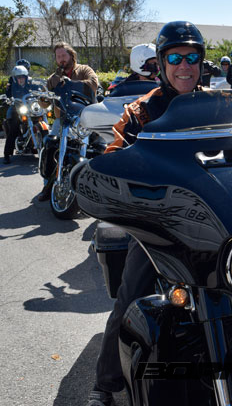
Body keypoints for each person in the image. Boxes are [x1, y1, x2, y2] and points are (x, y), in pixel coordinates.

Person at [86, 21, 206, 406]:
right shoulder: (141, 110)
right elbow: (113, 157)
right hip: (158, 225)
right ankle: (105, 384)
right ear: (162, 63)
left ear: (201, 62)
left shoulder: (216, 106)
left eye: (192, 57)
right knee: (131, 295)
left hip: (214, 218)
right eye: (175, 57)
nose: (184, 66)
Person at [37, 42, 99, 201]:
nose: (61, 59)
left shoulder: (84, 70)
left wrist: (70, 85)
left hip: (84, 117)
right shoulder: (53, 78)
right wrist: (43, 98)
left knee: (101, 145)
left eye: (64, 55)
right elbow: (44, 102)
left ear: (71, 55)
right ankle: (48, 185)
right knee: (50, 146)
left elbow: (93, 83)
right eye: (58, 56)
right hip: (62, 118)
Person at [3, 65, 41, 163]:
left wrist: (41, 92)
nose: (21, 79)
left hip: (30, 108)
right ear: (15, 78)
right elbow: (7, 95)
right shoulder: (12, 86)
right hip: (17, 108)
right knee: (13, 129)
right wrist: (8, 99)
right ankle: (7, 154)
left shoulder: (31, 84)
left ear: (26, 77)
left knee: (40, 119)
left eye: (23, 77)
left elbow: (38, 90)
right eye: (18, 77)